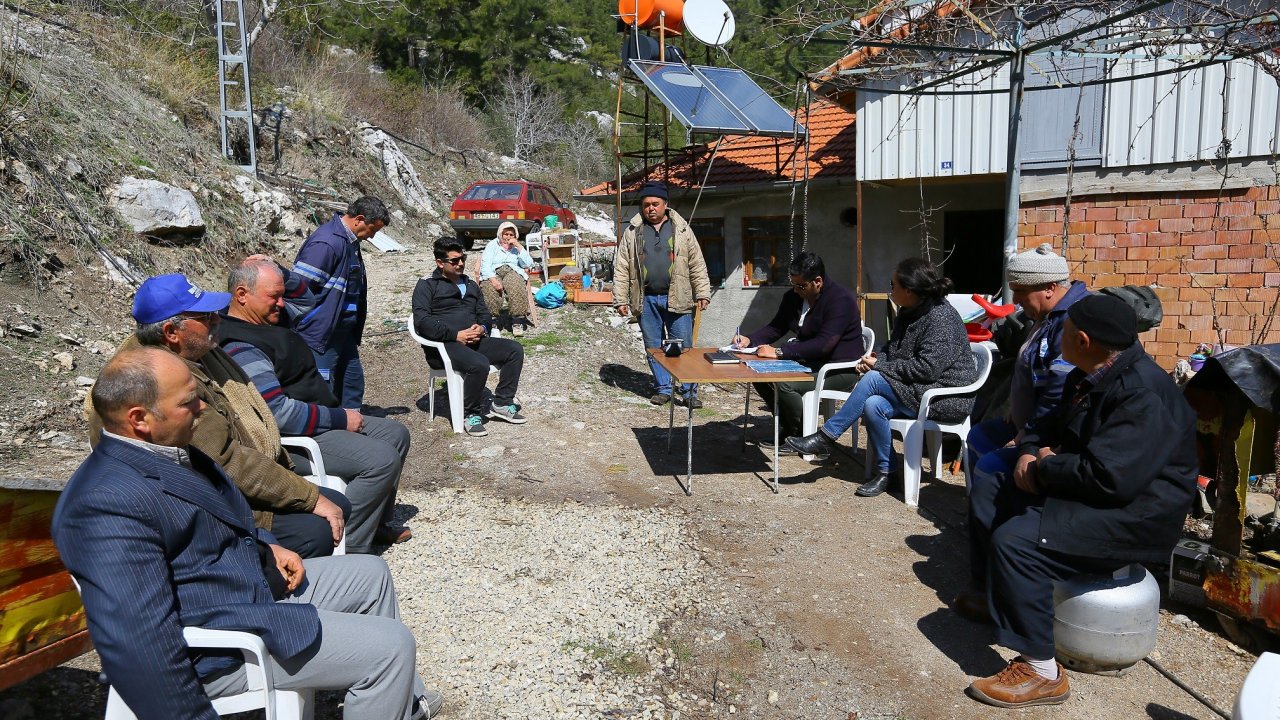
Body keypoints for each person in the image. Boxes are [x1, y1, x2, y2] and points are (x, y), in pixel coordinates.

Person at [55, 347, 444, 720]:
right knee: (390, 647)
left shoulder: (170, 450)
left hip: (246, 590)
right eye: (188, 401)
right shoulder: (104, 503)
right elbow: (139, 642)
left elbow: (223, 518)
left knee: (370, 574)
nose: (202, 407)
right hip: (220, 647)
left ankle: (397, 703)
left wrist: (268, 545)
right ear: (140, 419)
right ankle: (380, 680)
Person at [960, 294, 1196, 708]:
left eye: (1065, 332)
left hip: (1135, 515)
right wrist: (1030, 453)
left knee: (1018, 542)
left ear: (1082, 341)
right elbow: (1041, 427)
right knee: (990, 486)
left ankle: (1042, 672)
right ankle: (995, 596)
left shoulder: (1141, 394)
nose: (1059, 337)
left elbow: (1109, 477)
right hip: (1091, 489)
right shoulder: (1090, 375)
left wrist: (1042, 469)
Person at [89, 273, 349, 559]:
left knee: (336, 504)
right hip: (208, 502)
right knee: (316, 529)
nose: (217, 320)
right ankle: (273, 581)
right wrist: (309, 497)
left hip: (227, 486)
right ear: (171, 332)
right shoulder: (162, 383)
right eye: (205, 317)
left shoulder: (196, 353)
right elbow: (227, 460)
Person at [220, 258, 413, 552]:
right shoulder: (241, 345)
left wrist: (277, 269)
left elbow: (307, 300)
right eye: (274, 296)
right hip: (291, 440)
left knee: (396, 434)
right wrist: (339, 419)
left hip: (315, 420)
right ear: (242, 295)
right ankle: (351, 548)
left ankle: (374, 524)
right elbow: (277, 414)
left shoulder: (266, 317)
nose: (282, 303)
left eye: (282, 295)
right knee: (381, 460)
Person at [786, 258, 978, 497]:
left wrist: (879, 367)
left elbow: (927, 369)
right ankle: (887, 473)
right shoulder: (908, 311)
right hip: (916, 388)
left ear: (909, 290)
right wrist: (875, 359)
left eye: (893, 285)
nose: (890, 290)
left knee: (874, 379)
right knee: (873, 404)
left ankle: (826, 436)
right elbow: (891, 348)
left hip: (943, 396)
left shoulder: (941, 319)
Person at [966, 244, 1090, 484]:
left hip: (1050, 433)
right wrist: (1018, 403)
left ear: (1049, 288)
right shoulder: (1047, 315)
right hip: (1029, 423)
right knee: (980, 437)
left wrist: (1030, 435)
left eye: (1021, 291)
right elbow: (1035, 364)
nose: (1016, 301)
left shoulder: (1070, 321)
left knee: (990, 465)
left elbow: (1058, 389)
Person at [730, 252, 865, 452]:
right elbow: (777, 327)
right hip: (808, 362)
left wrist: (779, 352)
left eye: (801, 286)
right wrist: (750, 339)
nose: (795, 289)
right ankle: (789, 428)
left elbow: (824, 344)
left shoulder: (840, 300)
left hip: (838, 368)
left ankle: (802, 436)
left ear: (818, 281)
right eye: (793, 284)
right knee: (759, 375)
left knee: (785, 384)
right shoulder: (793, 297)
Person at [413, 237, 526, 437]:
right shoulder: (427, 285)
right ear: (440, 263)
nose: (460, 264)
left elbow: (484, 314)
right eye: (454, 260)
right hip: (445, 346)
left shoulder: (470, 284)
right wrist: (455, 335)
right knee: (479, 364)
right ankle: (470, 413)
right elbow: (421, 321)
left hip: (474, 341)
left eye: (462, 259)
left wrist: (482, 328)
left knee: (514, 350)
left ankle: (501, 403)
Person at [612, 181, 712, 408]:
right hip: (645, 299)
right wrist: (620, 299)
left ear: (665, 204)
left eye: (655, 204)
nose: (650, 208)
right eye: (646, 204)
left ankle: (689, 391)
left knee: (683, 347)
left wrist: (702, 292)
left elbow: (696, 263)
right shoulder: (632, 231)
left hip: (678, 296)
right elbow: (622, 266)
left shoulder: (682, 229)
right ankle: (663, 389)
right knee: (654, 347)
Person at [293, 195, 390, 409]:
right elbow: (298, 288)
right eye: (372, 229)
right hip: (320, 333)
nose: (372, 236)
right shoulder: (327, 242)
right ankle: (327, 427)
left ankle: (353, 424)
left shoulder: (350, 241)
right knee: (323, 390)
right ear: (359, 219)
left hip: (343, 331)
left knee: (352, 383)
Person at [479, 221, 536, 336]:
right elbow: (485, 264)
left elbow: (528, 264)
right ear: (500, 234)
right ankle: (492, 322)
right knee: (489, 288)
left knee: (516, 286)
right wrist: (493, 280)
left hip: (512, 270)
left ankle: (517, 321)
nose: (508, 237)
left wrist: (519, 246)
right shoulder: (492, 245)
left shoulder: (517, 248)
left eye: (511, 235)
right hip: (494, 271)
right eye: (506, 234)